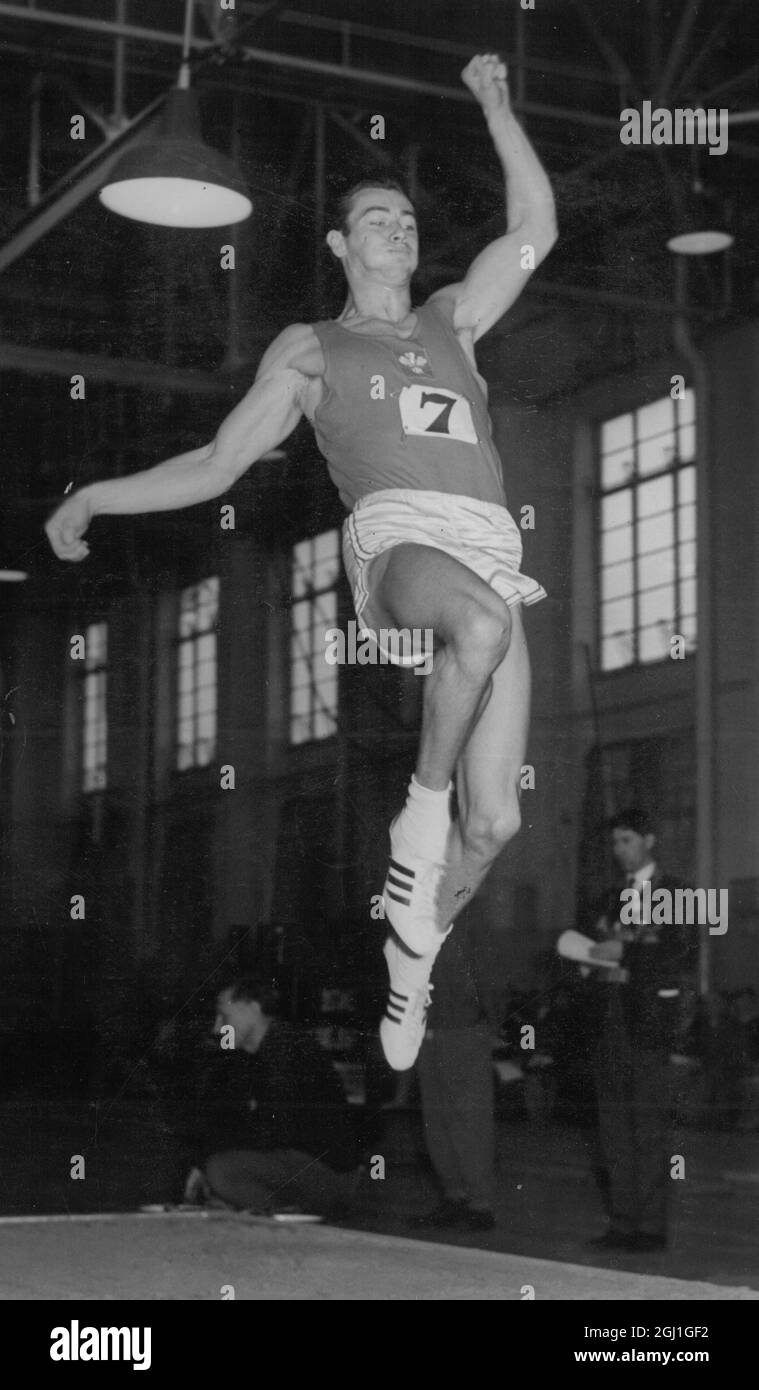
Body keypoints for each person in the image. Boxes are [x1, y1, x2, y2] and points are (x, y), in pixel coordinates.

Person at [45, 54, 557, 1072]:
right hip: (398, 546)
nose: (399, 233)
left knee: (496, 818)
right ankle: (418, 818)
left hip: (488, 552)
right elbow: (216, 461)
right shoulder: (312, 347)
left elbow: (535, 229)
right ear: (339, 243)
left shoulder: (453, 317)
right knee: (481, 636)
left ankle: (411, 957)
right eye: (378, 220)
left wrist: (498, 111)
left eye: (409, 222)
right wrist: (98, 493)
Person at [581, 809, 697, 1252]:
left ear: (649, 840)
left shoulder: (679, 893)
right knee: (613, 1127)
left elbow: (680, 956)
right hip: (607, 1022)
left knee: (647, 1128)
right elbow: (597, 947)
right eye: (614, 843)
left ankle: (649, 1228)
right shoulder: (610, 898)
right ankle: (623, 1223)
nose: (619, 851)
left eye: (626, 841)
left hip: (648, 1025)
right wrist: (587, 962)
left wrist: (624, 955)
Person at [184, 976, 360, 1217]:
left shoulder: (289, 1048)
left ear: (253, 1008)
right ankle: (266, 1214)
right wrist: (200, 1161)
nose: (217, 1028)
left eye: (224, 1016)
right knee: (218, 1170)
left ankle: (281, 1221)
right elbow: (229, 1122)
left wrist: (207, 1163)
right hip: (298, 1168)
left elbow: (274, 1132)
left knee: (222, 1170)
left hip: (329, 1177)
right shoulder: (249, 1056)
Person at [413, 917, 500, 1232]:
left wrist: (487, 1022)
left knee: (469, 1119)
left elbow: (486, 976)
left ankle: (479, 1202)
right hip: (428, 1030)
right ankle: (453, 1196)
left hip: (463, 1029)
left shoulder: (467, 917)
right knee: (436, 1120)